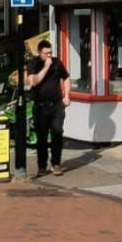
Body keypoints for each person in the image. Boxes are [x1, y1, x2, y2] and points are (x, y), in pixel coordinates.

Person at [22, 37, 70, 176]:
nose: (49, 56)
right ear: (39, 52)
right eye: (46, 53)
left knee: (57, 132)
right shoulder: (33, 64)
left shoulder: (57, 63)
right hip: (40, 107)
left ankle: (56, 163)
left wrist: (67, 95)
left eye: (50, 53)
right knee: (41, 137)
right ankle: (42, 166)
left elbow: (65, 77)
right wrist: (46, 67)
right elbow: (34, 82)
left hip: (56, 105)